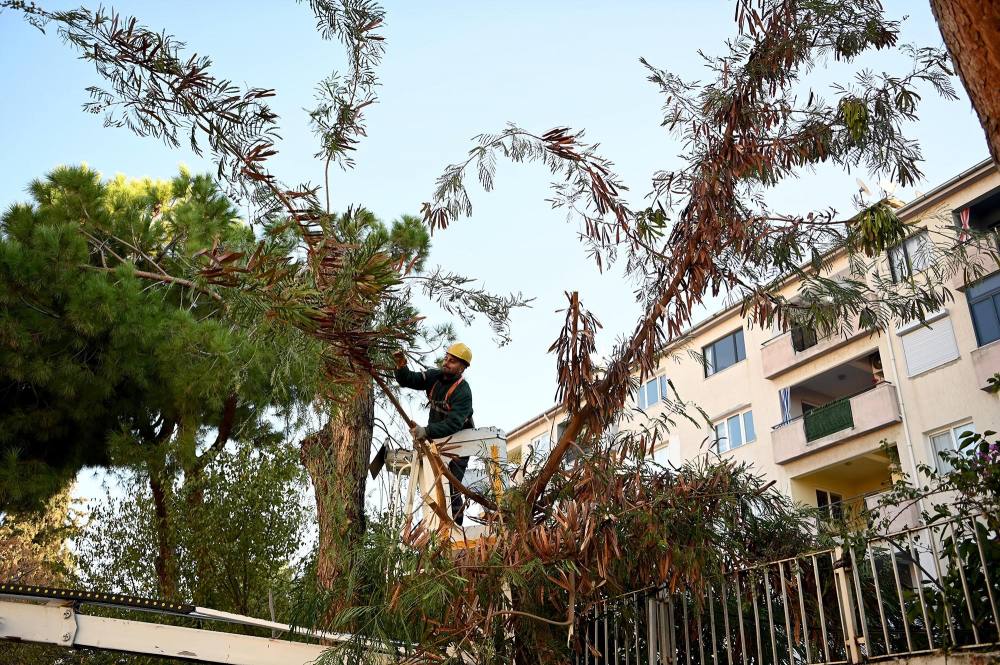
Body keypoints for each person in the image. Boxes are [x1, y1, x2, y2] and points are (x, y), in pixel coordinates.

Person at [393, 342, 474, 525]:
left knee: (452, 485)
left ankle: (455, 525)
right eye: (446, 358)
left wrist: (426, 431)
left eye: (452, 361)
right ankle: (436, 526)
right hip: (436, 439)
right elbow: (409, 380)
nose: (446, 363)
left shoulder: (463, 391)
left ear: (462, 368)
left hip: (460, 443)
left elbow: (453, 423)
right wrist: (401, 365)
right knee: (432, 482)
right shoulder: (434, 377)